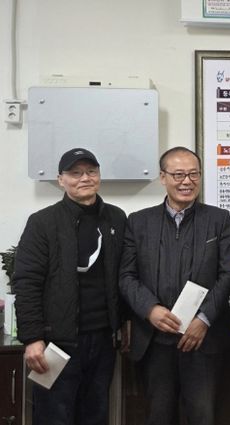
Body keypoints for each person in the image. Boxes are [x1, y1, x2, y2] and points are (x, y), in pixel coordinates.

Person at [119, 147, 230, 425]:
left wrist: (204, 319)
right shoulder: (139, 221)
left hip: (202, 339)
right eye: (179, 174)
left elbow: (228, 273)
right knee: (158, 415)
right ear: (163, 177)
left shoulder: (218, 219)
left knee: (202, 415)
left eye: (194, 174)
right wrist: (150, 310)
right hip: (155, 339)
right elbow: (126, 276)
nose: (187, 181)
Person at [14, 148, 127, 425]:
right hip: (56, 343)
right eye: (75, 173)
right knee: (54, 417)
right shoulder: (42, 222)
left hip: (103, 340)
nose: (84, 178)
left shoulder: (116, 218)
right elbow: (26, 282)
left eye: (91, 172)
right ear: (60, 180)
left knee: (96, 415)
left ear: (99, 175)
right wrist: (32, 338)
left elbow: (124, 275)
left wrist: (124, 323)